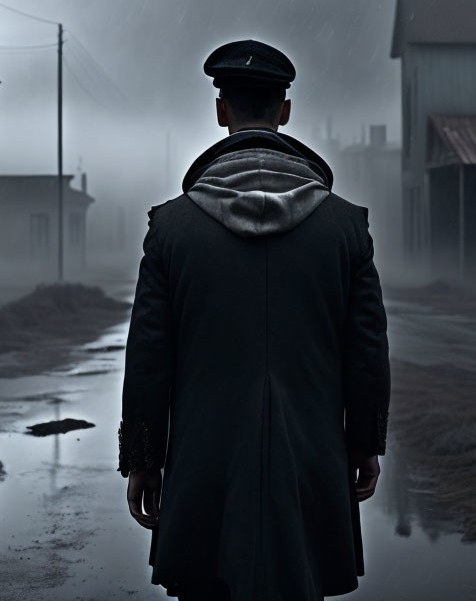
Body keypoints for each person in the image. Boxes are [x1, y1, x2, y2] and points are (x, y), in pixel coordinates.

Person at [118, 39, 390, 601]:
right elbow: (366, 352)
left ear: (221, 111)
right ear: (284, 111)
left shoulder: (170, 230)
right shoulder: (346, 229)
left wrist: (145, 460)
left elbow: (149, 355)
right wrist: (363, 443)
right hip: (309, 474)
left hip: (204, 478)